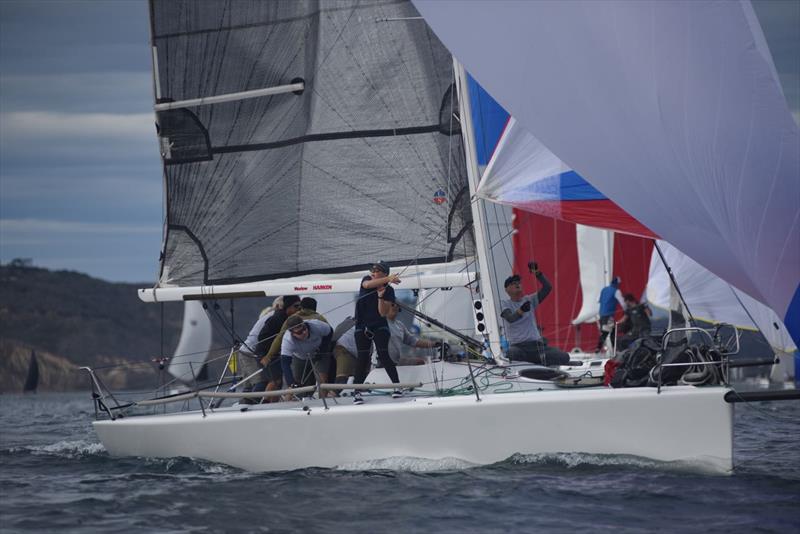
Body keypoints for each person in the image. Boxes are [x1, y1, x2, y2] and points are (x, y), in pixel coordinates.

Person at [500, 262, 570, 366]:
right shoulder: (505, 304)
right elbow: (510, 318)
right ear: (507, 289)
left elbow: (547, 288)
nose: (517, 284)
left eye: (518, 282)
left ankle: (539, 363)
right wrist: (521, 310)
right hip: (519, 347)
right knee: (512, 353)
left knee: (564, 356)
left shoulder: (529, 299)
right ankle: (538, 362)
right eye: (513, 283)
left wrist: (537, 273)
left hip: (537, 346)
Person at [352, 261, 402, 404]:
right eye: (372, 270)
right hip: (362, 326)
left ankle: (397, 386)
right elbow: (367, 286)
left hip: (380, 326)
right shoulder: (366, 280)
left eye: (377, 270)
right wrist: (389, 279)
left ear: (384, 273)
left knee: (383, 354)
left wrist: (381, 296)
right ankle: (357, 392)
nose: (373, 272)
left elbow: (382, 313)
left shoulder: (390, 291)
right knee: (362, 358)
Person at [262, 296, 328, 388]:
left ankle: (294, 394)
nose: (303, 333)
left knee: (297, 384)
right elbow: (330, 334)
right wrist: (324, 349)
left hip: (306, 355)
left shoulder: (296, 320)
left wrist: (269, 355)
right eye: (299, 332)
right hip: (313, 354)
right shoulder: (319, 319)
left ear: (301, 306)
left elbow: (279, 338)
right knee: (321, 380)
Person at [235, 297, 285, 402]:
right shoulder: (275, 318)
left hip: (245, 351)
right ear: (278, 307)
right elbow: (264, 338)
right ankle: (254, 405)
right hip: (251, 353)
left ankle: (244, 407)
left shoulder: (269, 315)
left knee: (249, 386)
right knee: (262, 382)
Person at [254, 295, 301, 399]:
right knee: (275, 380)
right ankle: (264, 404)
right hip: (265, 354)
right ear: (288, 307)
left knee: (278, 382)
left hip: (276, 355)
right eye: (296, 306)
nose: (299, 309)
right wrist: (267, 355)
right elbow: (262, 337)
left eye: (300, 306)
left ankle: (273, 404)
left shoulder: (289, 319)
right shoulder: (276, 319)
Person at [280, 315, 333, 393]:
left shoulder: (316, 325)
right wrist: (291, 383)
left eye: (304, 328)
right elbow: (285, 363)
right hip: (300, 357)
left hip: (319, 353)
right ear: (292, 333)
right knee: (297, 385)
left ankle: (322, 400)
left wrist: (323, 349)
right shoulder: (288, 340)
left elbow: (330, 332)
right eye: (299, 332)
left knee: (322, 379)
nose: (304, 332)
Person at [385, 301, 444, 366]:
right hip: (384, 362)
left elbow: (414, 341)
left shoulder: (400, 325)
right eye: (392, 305)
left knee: (421, 361)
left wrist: (435, 344)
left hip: (396, 361)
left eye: (397, 305)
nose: (395, 306)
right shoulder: (379, 324)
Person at [596, 276, 625, 352]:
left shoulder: (604, 289)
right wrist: (626, 310)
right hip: (609, 315)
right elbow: (622, 303)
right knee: (607, 332)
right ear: (617, 283)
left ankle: (612, 350)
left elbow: (598, 300)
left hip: (602, 315)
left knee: (609, 331)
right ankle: (599, 349)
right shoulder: (616, 291)